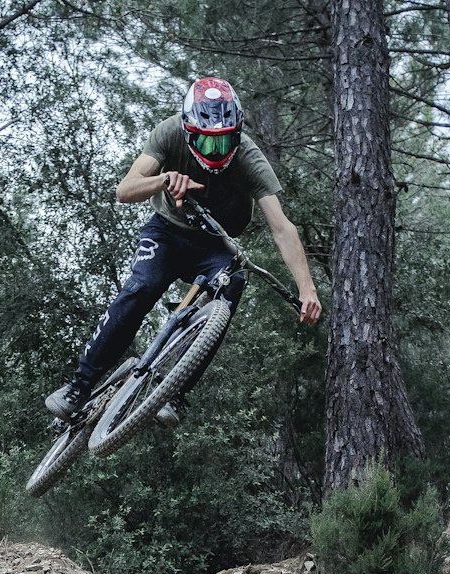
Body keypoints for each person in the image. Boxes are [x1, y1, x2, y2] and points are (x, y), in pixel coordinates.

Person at [47, 76, 322, 426]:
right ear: (190, 133)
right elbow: (125, 190)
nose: (216, 154)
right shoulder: (170, 132)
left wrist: (307, 289)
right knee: (141, 288)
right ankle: (79, 386)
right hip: (166, 232)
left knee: (231, 285)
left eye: (224, 144)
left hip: (215, 242)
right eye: (207, 146)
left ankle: (175, 391)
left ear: (237, 134)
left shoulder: (249, 157)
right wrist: (165, 179)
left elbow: (282, 228)